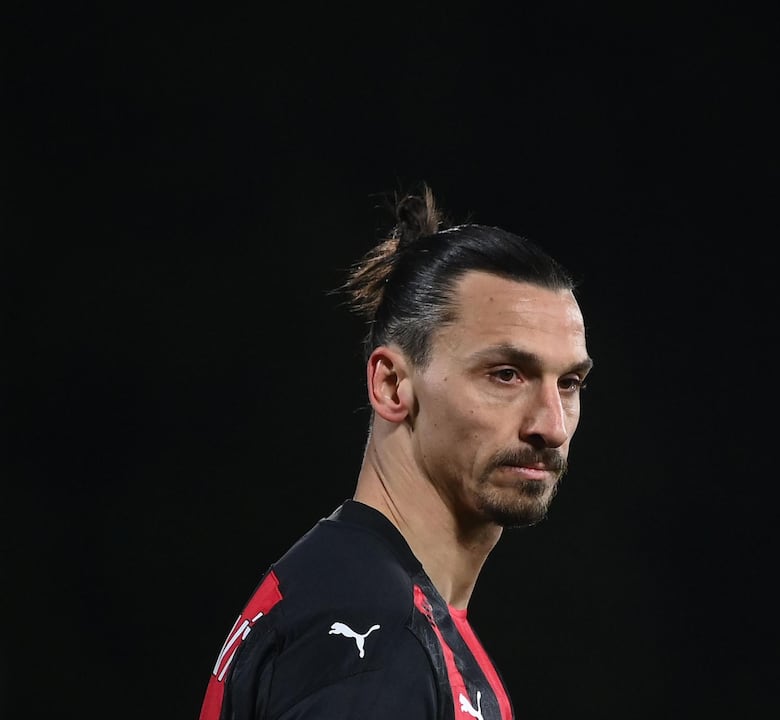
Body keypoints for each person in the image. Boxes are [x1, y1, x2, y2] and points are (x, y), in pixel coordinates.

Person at [198, 183, 594, 720]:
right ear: (391, 386)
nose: (551, 426)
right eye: (505, 375)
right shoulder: (378, 638)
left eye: (569, 383)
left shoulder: (358, 592)